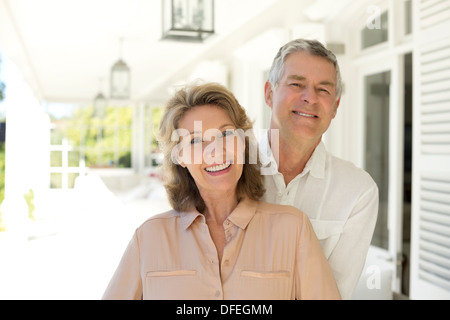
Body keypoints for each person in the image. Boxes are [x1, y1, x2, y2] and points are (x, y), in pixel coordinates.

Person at [102, 82, 341, 300]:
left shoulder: (293, 229)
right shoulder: (149, 237)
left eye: (225, 134)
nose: (215, 151)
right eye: (195, 141)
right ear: (180, 156)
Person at [260, 39, 379, 300]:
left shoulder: (358, 191)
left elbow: (333, 292)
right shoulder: (226, 167)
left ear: (335, 107)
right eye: (297, 84)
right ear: (269, 93)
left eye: (323, 90)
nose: (310, 98)